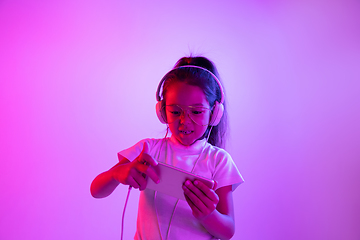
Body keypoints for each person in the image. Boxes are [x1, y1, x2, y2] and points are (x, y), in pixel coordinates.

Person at [90, 56, 244, 240]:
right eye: (175, 111)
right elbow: (96, 190)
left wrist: (208, 215)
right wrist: (117, 174)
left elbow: (228, 231)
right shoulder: (147, 149)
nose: (185, 121)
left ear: (214, 113)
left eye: (196, 112)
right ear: (162, 111)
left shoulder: (219, 161)